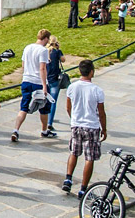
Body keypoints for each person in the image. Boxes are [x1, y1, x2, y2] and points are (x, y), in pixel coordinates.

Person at [62, 60, 107, 199]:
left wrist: (73, 118)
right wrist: (104, 129)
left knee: (74, 152)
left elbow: (68, 107)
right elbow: (101, 112)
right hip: (91, 126)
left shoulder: (72, 87)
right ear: (92, 72)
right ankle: (83, 188)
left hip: (76, 124)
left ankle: (68, 179)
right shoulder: (97, 90)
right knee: (89, 158)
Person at [12, 29, 55, 141]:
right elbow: (42, 68)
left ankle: (16, 130)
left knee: (24, 107)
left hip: (26, 80)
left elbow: (23, 64)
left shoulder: (27, 47)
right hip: (38, 83)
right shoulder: (43, 50)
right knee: (44, 108)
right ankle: (44, 130)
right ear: (45, 38)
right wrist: (44, 85)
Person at [46, 36, 65, 132]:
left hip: (45, 78)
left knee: (45, 100)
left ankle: (46, 118)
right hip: (54, 79)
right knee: (53, 101)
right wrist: (58, 49)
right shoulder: (57, 52)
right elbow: (63, 60)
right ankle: (49, 123)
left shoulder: (45, 51)